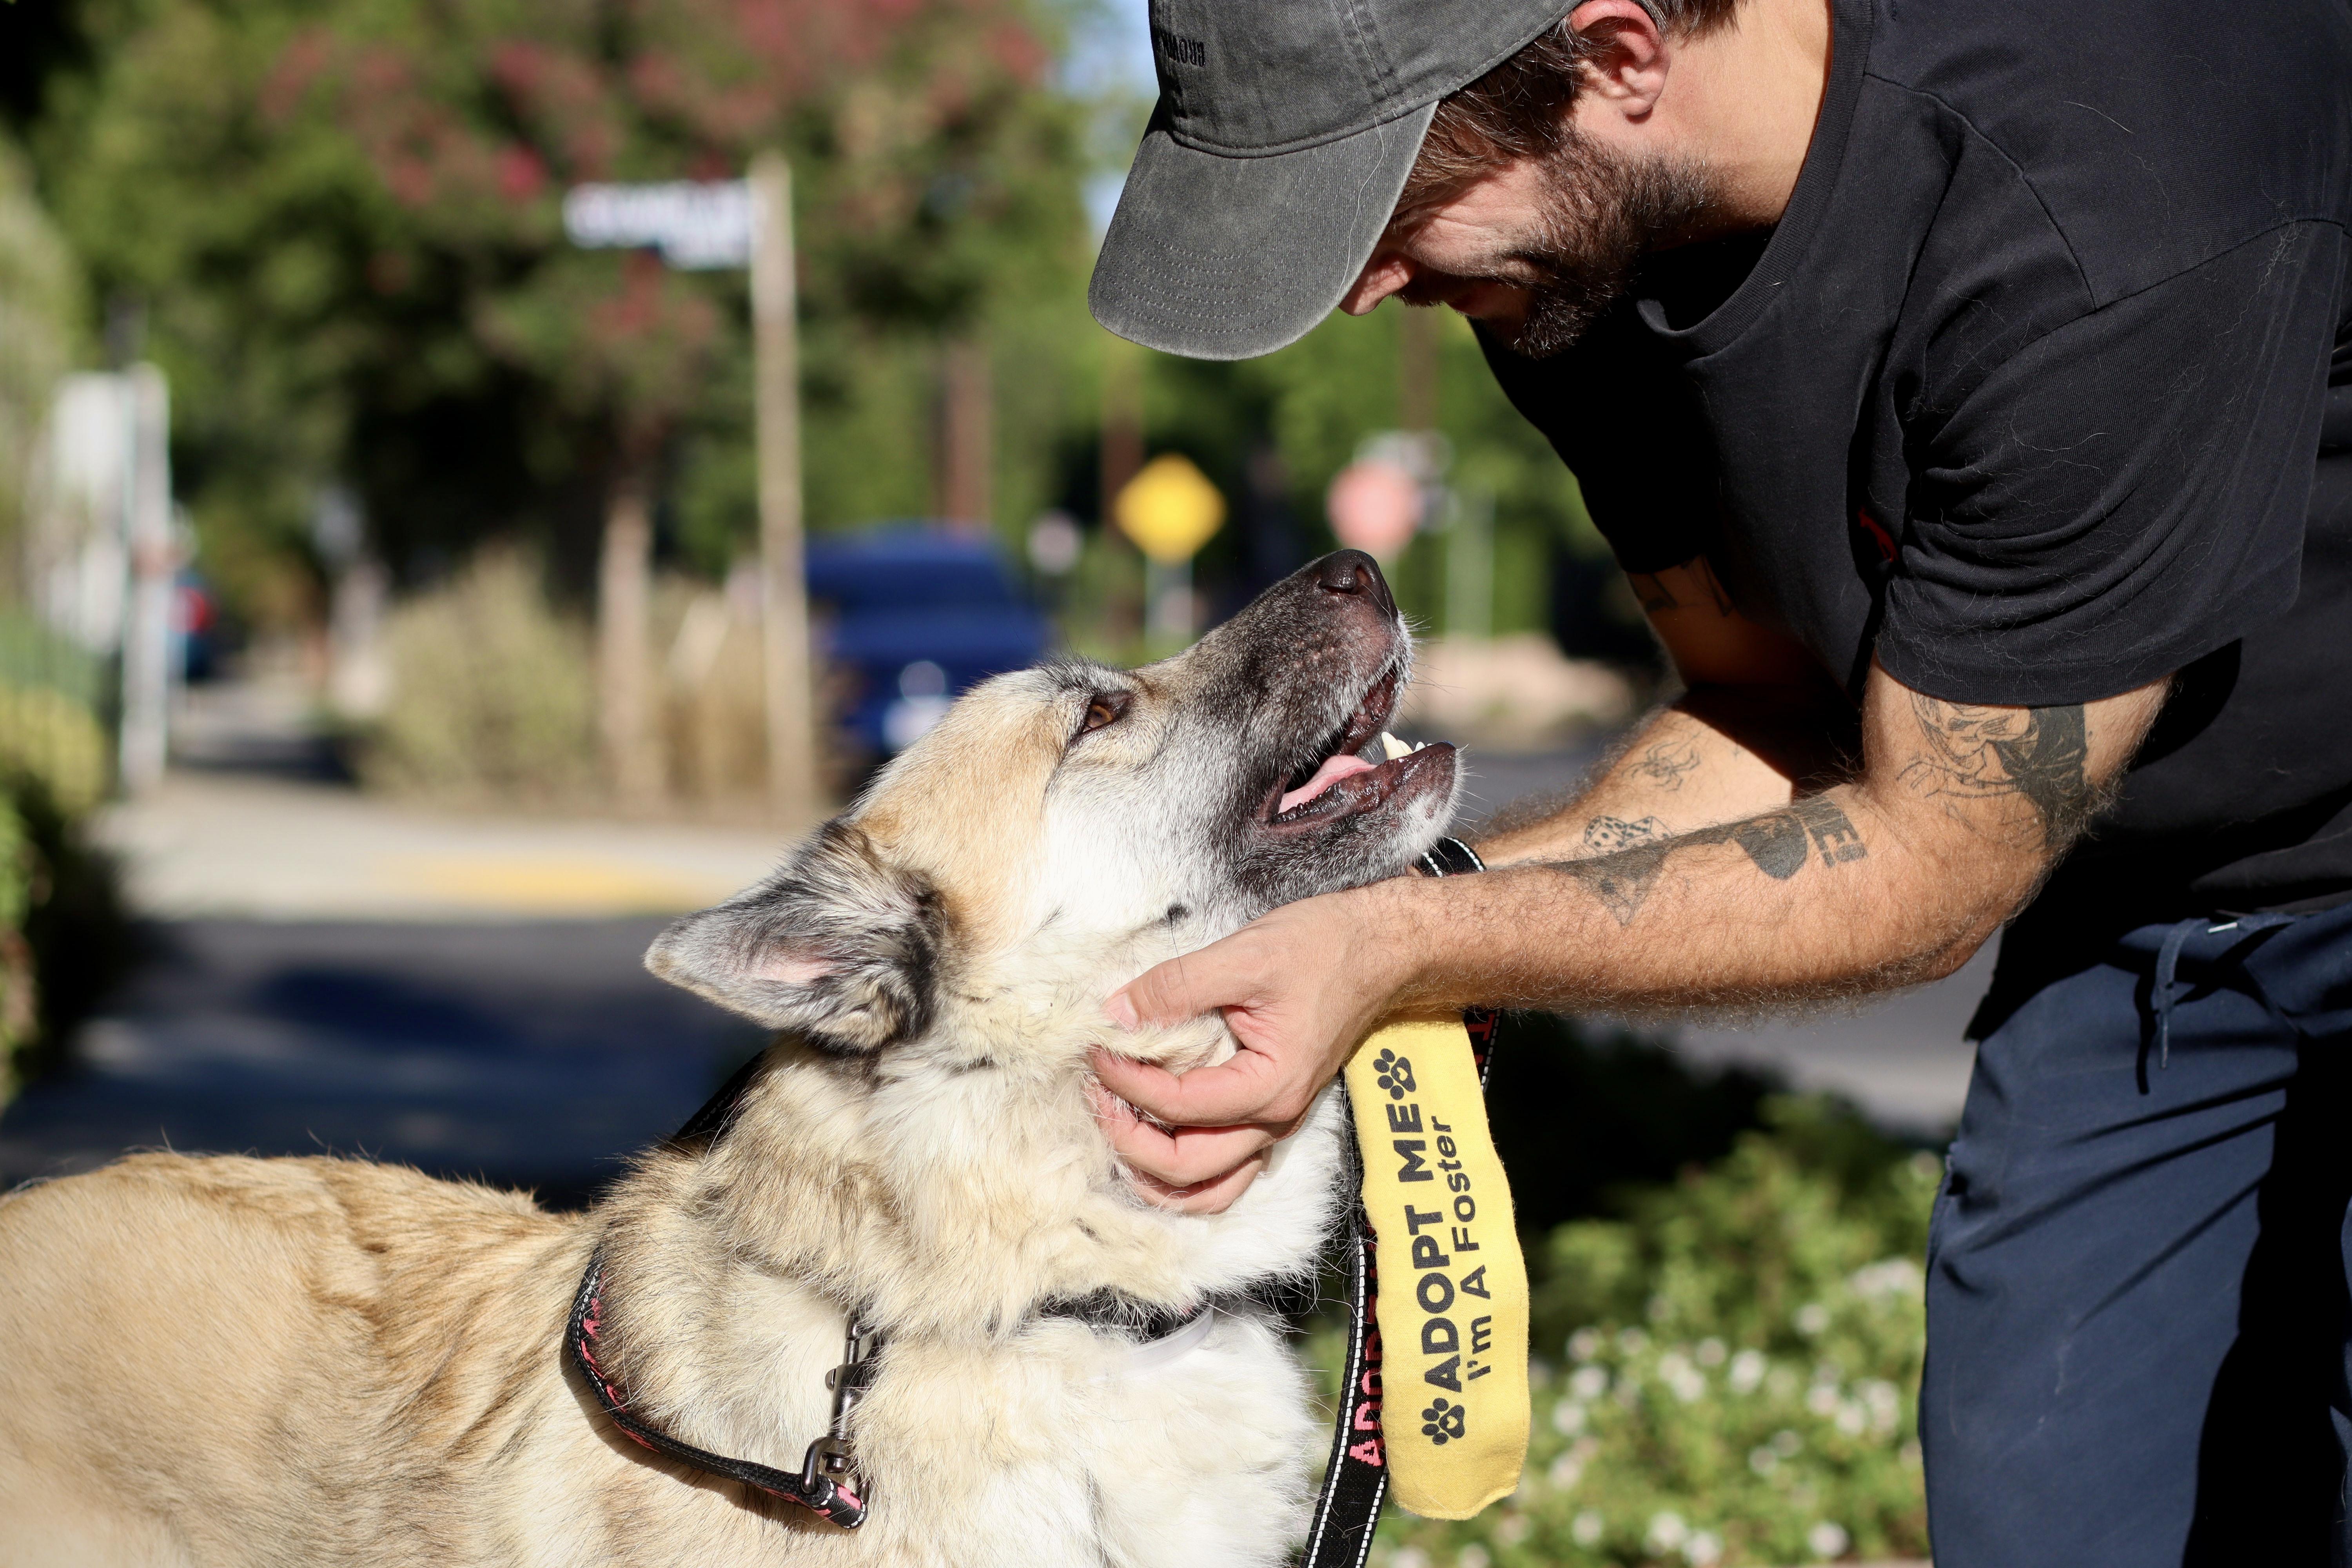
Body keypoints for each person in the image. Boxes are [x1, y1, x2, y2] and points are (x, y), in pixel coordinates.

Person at [1083, 0, 2352, 1559]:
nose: (1364, 286)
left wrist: (1410, 947)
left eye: (1386, 197)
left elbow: (1934, 860)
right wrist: (1425, 908)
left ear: (1620, 56)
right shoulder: (1569, 263)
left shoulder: (2086, 203)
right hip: (2140, 912)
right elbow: (1779, 707)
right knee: (2049, 1510)